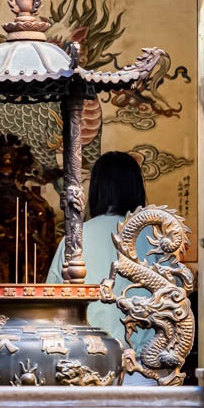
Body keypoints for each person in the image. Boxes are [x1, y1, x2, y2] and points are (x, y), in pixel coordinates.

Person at [46, 151, 155, 384]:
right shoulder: (157, 241)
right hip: (144, 370)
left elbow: (51, 305)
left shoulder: (74, 240)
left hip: (84, 367)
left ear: (95, 189)